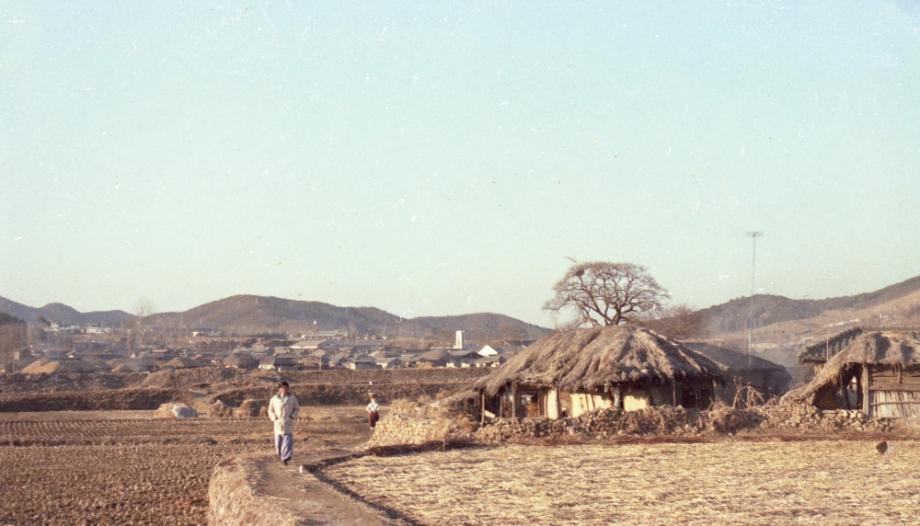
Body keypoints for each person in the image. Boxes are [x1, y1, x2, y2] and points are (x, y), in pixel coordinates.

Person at [268, 381, 299, 465]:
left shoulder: (292, 398)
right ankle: (280, 454)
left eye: (286, 388)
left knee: (288, 440)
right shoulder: (274, 399)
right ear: (279, 389)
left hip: (287, 421)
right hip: (278, 422)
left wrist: (292, 416)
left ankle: (286, 457)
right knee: (278, 443)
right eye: (282, 388)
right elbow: (270, 410)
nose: (284, 389)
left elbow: (296, 409)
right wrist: (274, 417)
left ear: (288, 389)